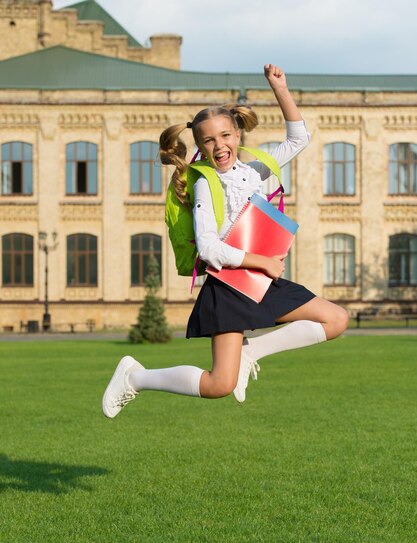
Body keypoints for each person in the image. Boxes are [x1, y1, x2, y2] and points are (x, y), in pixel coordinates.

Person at [102, 64, 349, 418]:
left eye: (226, 136)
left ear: (237, 134)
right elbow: (209, 248)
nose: (220, 145)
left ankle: (251, 352)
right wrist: (261, 261)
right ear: (200, 145)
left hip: (260, 281)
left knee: (336, 320)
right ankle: (135, 377)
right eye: (209, 140)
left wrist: (280, 88)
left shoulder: (252, 172)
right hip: (230, 286)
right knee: (220, 385)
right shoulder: (205, 183)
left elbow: (298, 140)